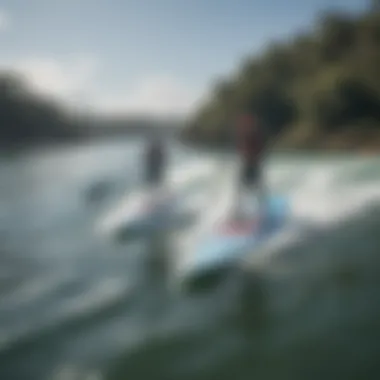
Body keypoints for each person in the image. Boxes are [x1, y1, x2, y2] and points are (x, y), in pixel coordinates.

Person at [234, 111, 267, 223]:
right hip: (247, 164)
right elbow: (241, 149)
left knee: (257, 188)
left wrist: (254, 157)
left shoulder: (255, 134)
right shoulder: (244, 134)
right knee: (241, 188)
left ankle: (261, 213)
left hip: (254, 164)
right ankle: (239, 213)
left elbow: (261, 149)